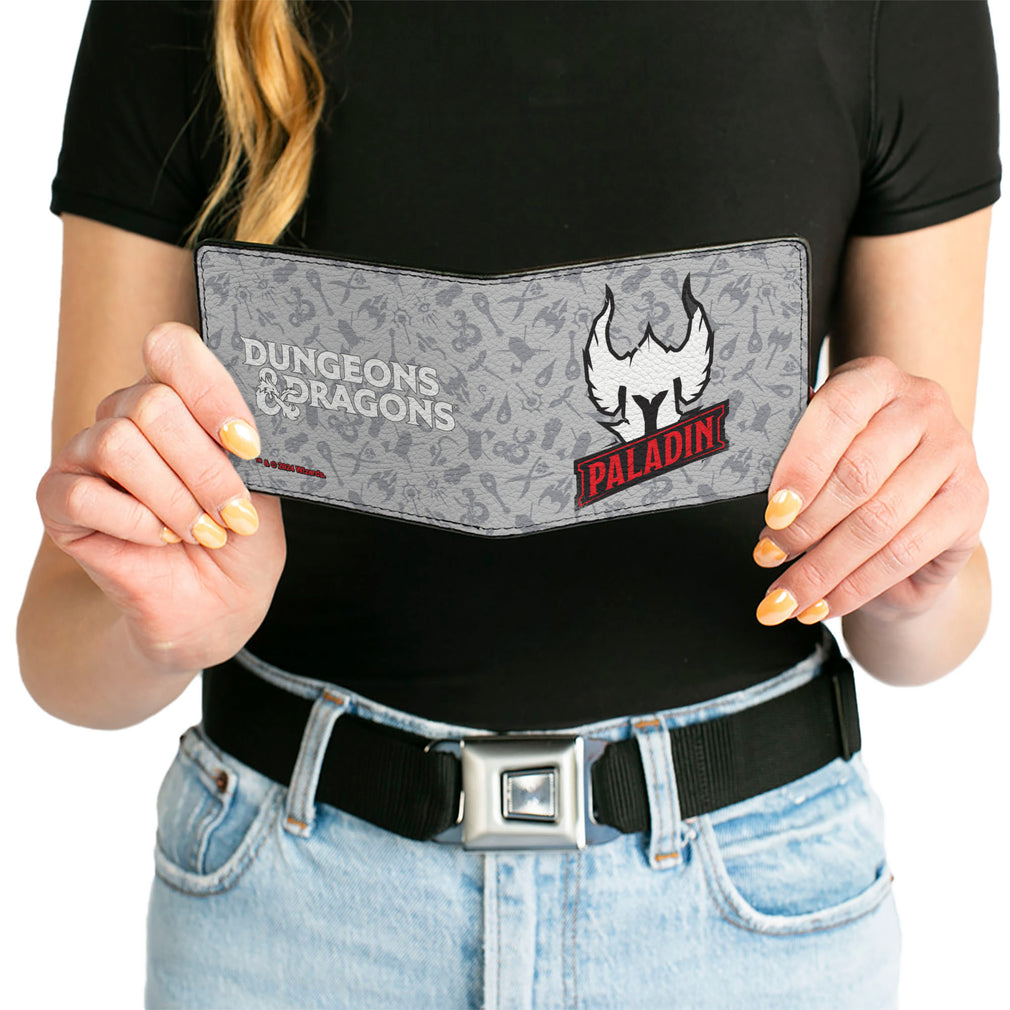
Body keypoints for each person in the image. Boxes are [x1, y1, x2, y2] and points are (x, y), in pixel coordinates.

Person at [16, 1, 999, 1007]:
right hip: (290, 908)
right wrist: (162, 627)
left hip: (747, 909)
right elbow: (59, 645)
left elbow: (927, 627)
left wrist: (910, 569)